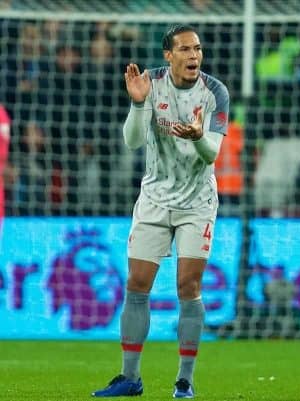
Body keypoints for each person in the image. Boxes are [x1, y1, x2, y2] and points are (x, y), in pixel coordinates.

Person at [92, 24, 229, 398]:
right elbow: (133, 141)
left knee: (189, 286)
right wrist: (139, 104)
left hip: (197, 202)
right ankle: (130, 378)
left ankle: (184, 379)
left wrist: (199, 136)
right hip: (154, 197)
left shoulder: (215, 92)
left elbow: (213, 154)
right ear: (168, 55)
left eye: (197, 49)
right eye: (185, 49)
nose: (194, 56)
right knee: (137, 285)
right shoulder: (150, 82)